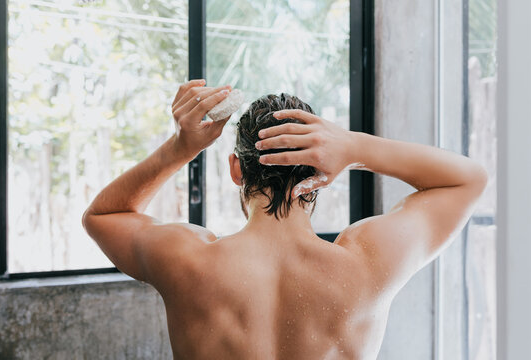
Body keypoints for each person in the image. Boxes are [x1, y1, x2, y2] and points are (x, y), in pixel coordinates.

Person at [82, 79, 487, 360]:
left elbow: (104, 215)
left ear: (236, 170)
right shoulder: (368, 263)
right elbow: (466, 181)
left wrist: (180, 148)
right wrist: (354, 146)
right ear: (321, 174)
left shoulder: (187, 261)